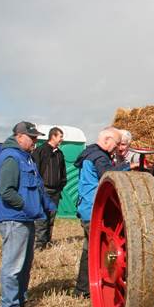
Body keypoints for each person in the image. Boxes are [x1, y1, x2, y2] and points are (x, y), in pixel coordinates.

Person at [0, 121, 57, 307]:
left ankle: (20, 299)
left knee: (25, 262)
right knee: (13, 264)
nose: (35, 142)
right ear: (19, 136)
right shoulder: (11, 158)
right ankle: (9, 306)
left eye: (37, 139)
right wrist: (27, 206)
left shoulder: (26, 158)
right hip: (14, 219)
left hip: (26, 218)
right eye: (32, 138)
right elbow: (7, 192)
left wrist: (48, 206)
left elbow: (37, 186)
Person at [73, 127, 122, 298]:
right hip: (94, 210)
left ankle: (82, 289)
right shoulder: (100, 157)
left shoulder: (89, 153)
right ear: (107, 139)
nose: (116, 148)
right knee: (104, 250)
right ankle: (103, 288)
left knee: (89, 250)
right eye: (116, 144)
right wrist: (129, 166)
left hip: (86, 208)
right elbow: (109, 176)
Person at [32, 126, 67, 250]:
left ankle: (47, 241)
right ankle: (39, 244)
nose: (62, 139)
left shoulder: (59, 154)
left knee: (51, 217)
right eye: (60, 136)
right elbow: (35, 171)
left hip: (55, 191)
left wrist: (61, 184)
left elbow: (63, 172)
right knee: (42, 217)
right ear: (53, 136)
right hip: (43, 190)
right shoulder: (40, 151)